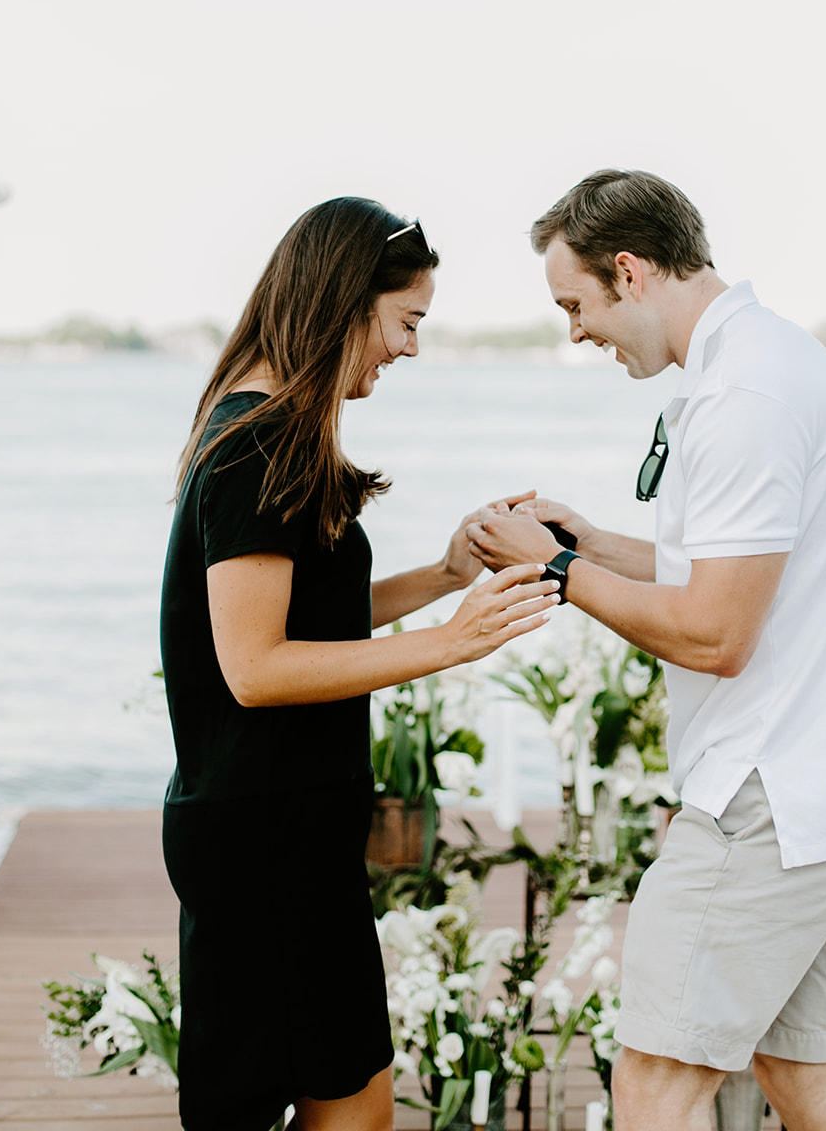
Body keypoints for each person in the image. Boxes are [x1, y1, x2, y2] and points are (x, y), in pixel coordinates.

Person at [467, 168, 826, 1131]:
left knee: (652, 1087)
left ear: (628, 272)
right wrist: (584, 539)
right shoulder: (763, 362)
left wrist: (552, 572)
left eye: (575, 305)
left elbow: (715, 633)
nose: (575, 333)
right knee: (806, 1079)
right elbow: (722, 570)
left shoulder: (743, 395)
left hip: (767, 799)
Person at [160, 196, 560, 1131]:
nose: (410, 348)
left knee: (352, 1100)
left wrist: (444, 575)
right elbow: (254, 666)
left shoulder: (270, 430)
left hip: (288, 827)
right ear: (346, 305)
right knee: (321, 1107)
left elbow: (309, 616)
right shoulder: (256, 442)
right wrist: (453, 642)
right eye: (406, 321)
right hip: (260, 838)